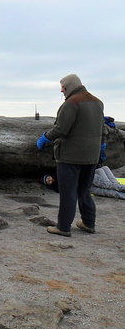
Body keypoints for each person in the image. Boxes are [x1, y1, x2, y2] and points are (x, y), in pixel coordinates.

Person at [36, 74, 105, 236]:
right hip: (91, 156)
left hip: (70, 157)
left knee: (68, 192)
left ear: (71, 86)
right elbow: (102, 129)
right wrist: (102, 147)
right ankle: (89, 223)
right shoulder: (97, 102)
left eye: (63, 87)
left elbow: (61, 129)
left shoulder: (71, 103)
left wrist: (46, 136)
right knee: (84, 190)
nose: (62, 90)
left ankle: (63, 227)